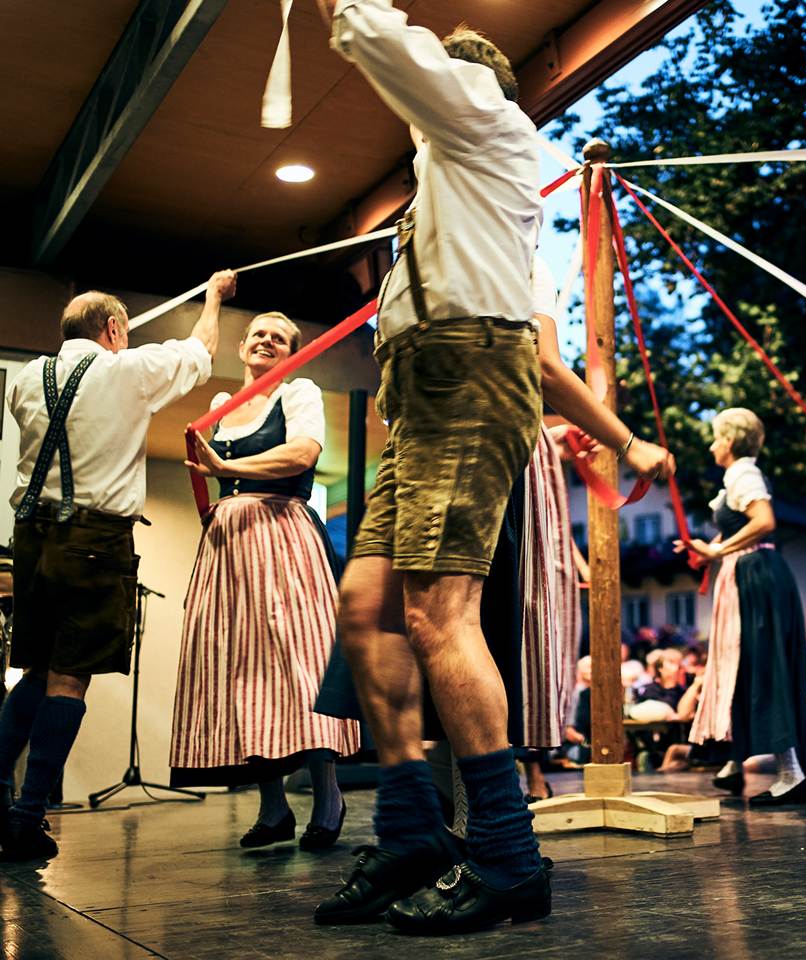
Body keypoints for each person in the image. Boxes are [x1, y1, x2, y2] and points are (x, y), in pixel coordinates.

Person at [309, 1, 551, 932]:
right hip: (418, 397)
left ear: (471, 83)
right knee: (368, 610)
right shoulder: (445, 181)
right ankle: (412, 829)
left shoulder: (485, 118)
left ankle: (509, 854)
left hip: (470, 376)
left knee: (438, 615)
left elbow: (384, 42)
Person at [0, 271, 234, 861]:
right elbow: (201, 352)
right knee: (68, 679)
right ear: (113, 328)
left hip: (31, 538)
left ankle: (1, 797)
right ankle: (26, 819)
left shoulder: (25, 379)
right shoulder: (127, 370)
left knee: (34, 672)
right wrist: (212, 297)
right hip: (94, 541)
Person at [171, 312, 361, 849]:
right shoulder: (221, 405)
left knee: (302, 661)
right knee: (240, 667)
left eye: (280, 337)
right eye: (258, 333)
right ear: (242, 346)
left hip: (283, 535)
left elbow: (302, 454)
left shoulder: (299, 392)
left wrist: (226, 469)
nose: (267, 341)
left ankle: (328, 797)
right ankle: (273, 808)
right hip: (229, 547)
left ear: (293, 353)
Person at [675, 408, 806, 806]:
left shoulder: (742, 474)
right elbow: (741, 526)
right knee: (740, 664)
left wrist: (717, 551)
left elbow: (763, 521)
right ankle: (734, 762)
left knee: (761, 664)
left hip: (755, 577)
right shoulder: (737, 477)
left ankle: (791, 773)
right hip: (748, 574)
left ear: (731, 441)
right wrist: (709, 550)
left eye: (717, 438)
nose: (711, 446)